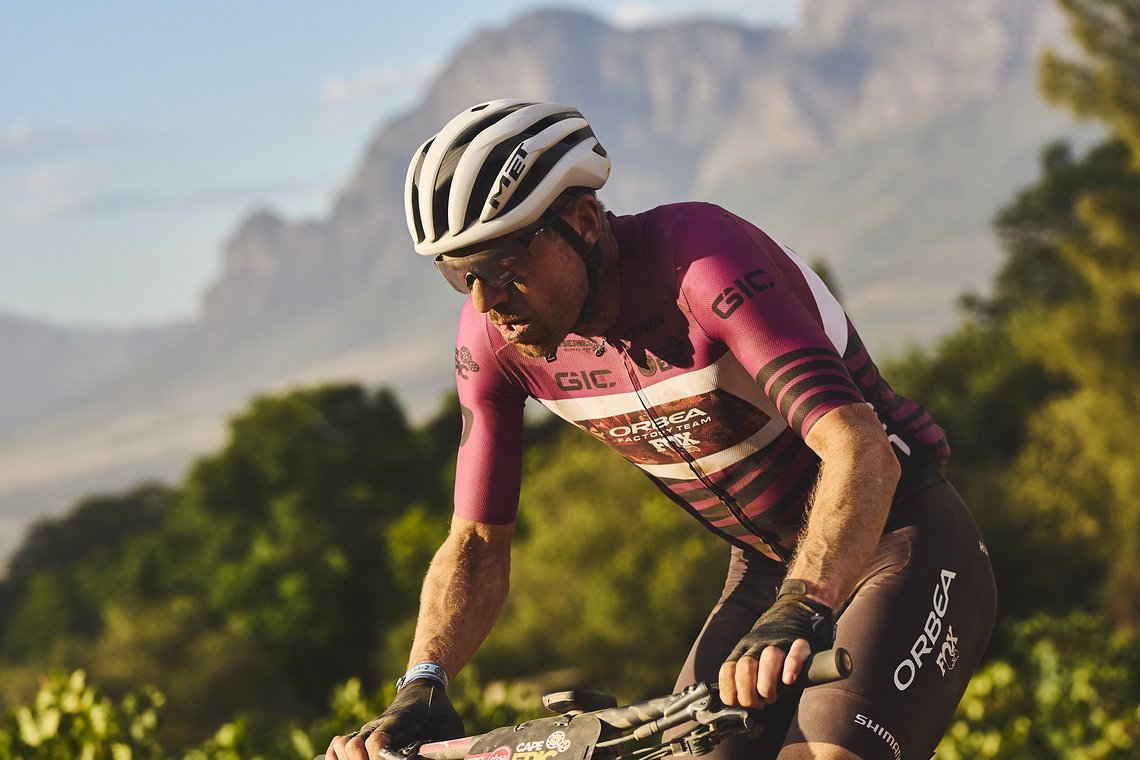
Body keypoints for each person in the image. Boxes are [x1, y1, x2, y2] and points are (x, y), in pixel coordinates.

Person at [324, 100, 997, 760]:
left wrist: (804, 603)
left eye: (503, 268)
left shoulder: (700, 265)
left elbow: (859, 446)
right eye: (460, 274)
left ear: (584, 221)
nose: (485, 301)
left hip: (901, 539)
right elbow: (475, 541)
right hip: (765, 568)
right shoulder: (497, 344)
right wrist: (423, 682)